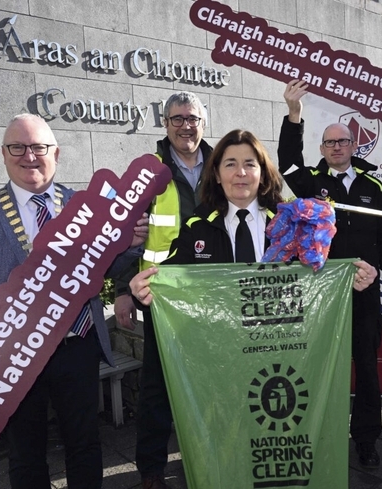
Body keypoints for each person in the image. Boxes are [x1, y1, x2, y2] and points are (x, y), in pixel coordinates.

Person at [0, 114, 149, 489]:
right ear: (4, 155)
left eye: (38, 147)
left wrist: (131, 244)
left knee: (85, 443)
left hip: (78, 346)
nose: (29, 156)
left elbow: (106, 267)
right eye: (17, 147)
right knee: (25, 452)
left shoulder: (87, 206)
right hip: (13, 356)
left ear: (56, 152)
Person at [278, 80, 382, 468]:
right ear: (322, 149)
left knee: (366, 369)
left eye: (343, 142)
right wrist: (293, 114)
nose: (336, 147)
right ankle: (317, 436)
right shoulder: (310, 183)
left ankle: (366, 440)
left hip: (365, 295)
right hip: (320, 293)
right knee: (319, 368)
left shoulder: (373, 186)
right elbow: (285, 159)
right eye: (330, 143)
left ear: (354, 146)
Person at [129, 128, 378, 303]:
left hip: (281, 348)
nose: (241, 173)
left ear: (262, 173)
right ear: (216, 175)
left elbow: (322, 277)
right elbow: (168, 282)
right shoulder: (198, 227)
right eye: (230, 164)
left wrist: (353, 279)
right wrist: (142, 293)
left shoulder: (293, 223)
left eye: (250, 163)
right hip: (222, 351)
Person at [112, 91, 214, 489]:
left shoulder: (222, 164)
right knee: (158, 383)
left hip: (212, 294)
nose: (185, 126)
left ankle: (207, 454)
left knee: (211, 379)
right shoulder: (147, 170)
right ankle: (151, 469)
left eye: (192, 118)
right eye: (177, 118)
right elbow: (126, 234)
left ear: (203, 122)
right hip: (161, 295)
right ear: (165, 123)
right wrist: (123, 290)